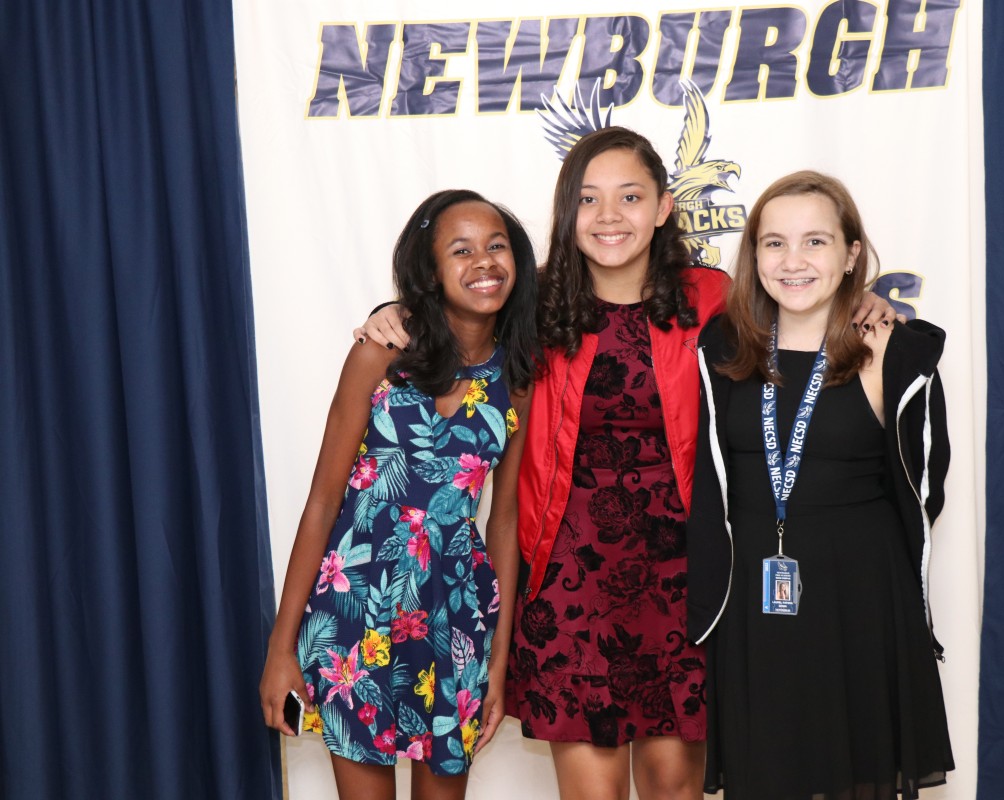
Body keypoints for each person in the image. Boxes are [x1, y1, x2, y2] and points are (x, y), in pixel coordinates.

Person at [355, 129, 898, 800]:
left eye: (630, 197)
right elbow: (457, 314)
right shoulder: (534, 302)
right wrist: (393, 312)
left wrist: (865, 298)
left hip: (687, 576)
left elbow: (802, 314)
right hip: (571, 580)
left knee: (676, 789)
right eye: (589, 199)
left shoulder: (713, 297)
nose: (609, 217)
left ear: (665, 207)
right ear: (567, 211)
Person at [259, 189, 540, 800]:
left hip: (455, 617)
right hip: (353, 615)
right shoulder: (380, 352)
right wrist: (281, 649)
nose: (484, 262)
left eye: (496, 247)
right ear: (430, 270)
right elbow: (321, 502)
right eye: (460, 250)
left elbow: (506, 520)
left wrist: (497, 663)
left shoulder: (516, 377)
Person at [687, 171, 955, 799]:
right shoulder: (723, 346)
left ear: (851, 253)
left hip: (860, 597)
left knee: (858, 777)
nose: (794, 261)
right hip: (755, 600)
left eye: (816, 241)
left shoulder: (895, 351)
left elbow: (925, 487)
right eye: (774, 243)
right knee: (768, 775)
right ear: (753, 255)